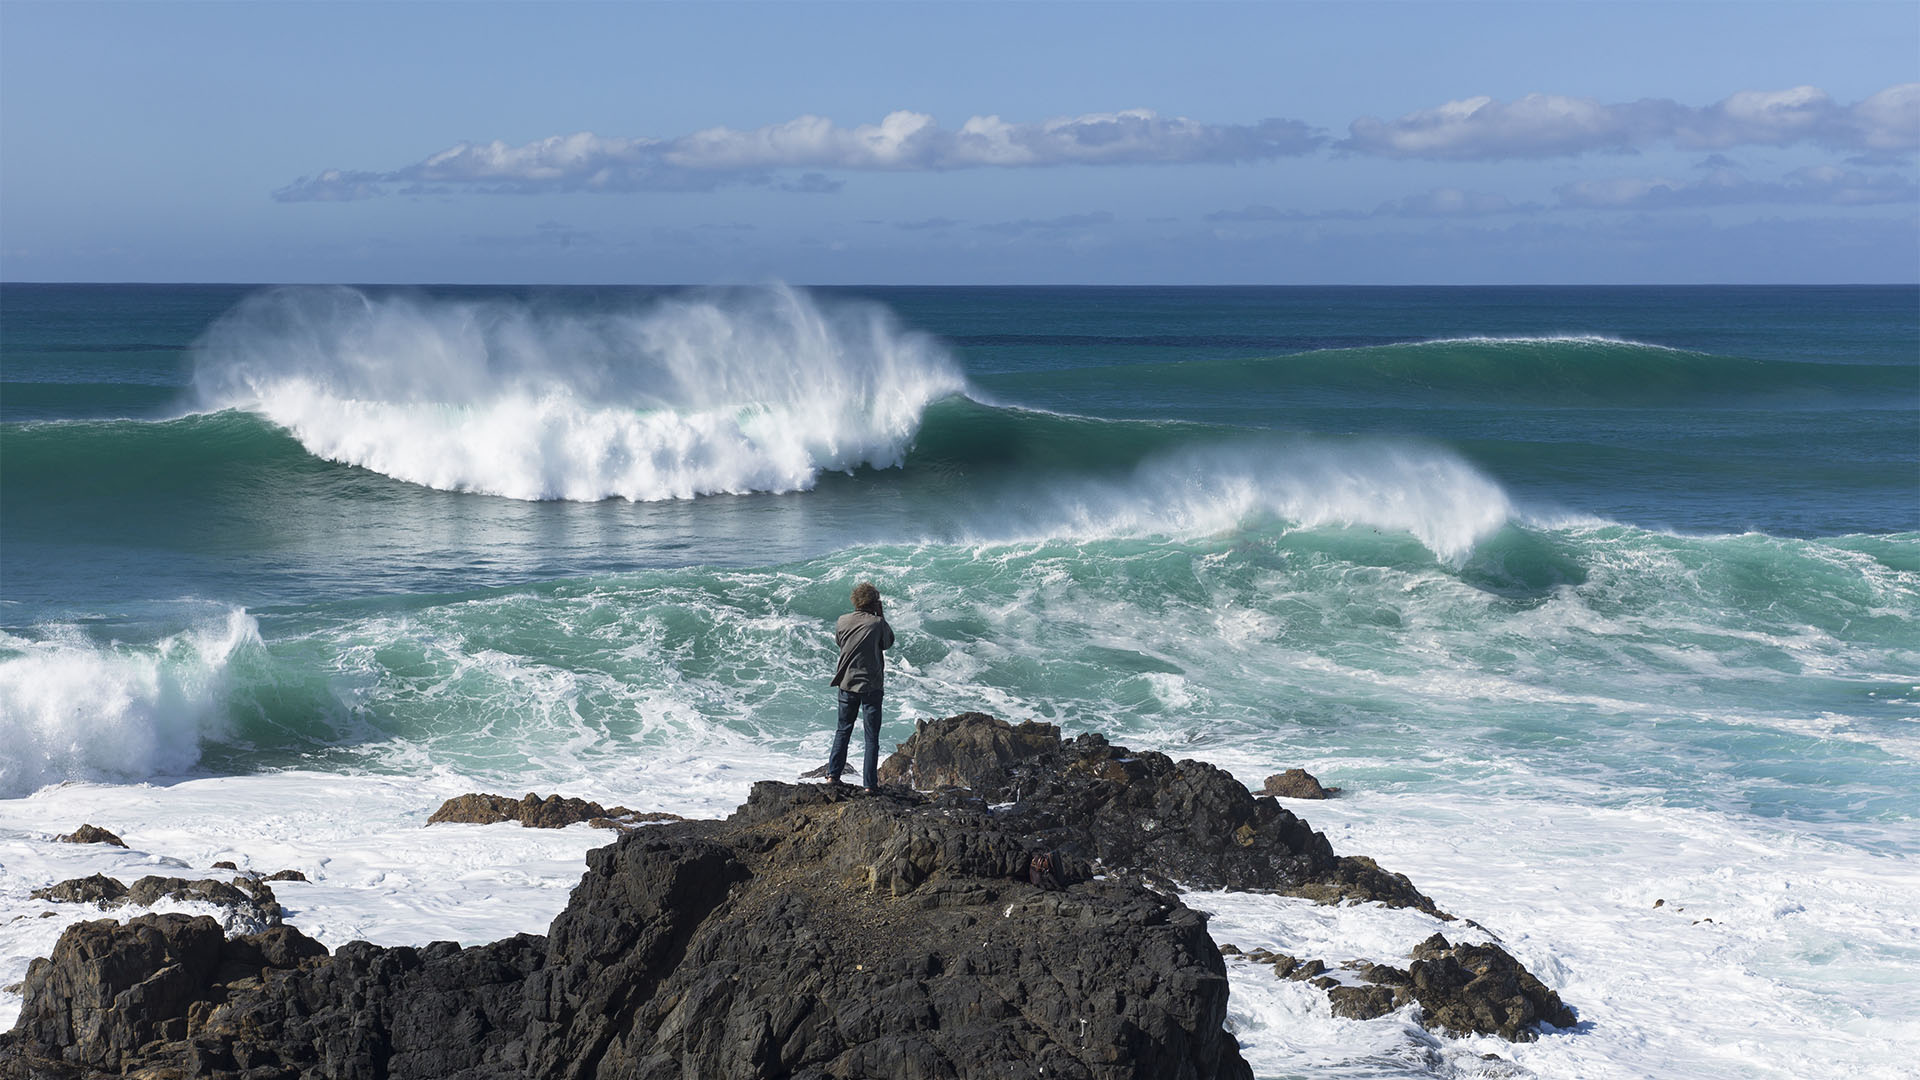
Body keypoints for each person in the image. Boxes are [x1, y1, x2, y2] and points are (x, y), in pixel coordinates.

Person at [826, 581, 893, 792]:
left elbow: (840, 642)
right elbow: (888, 643)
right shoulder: (877, 623)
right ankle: (869, 785)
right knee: (871, 736)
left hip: (846, 682)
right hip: (871, 685)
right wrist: (881, 616)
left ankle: (832, 775)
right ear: (874, 602)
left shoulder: (842, 621)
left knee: (843, 730)